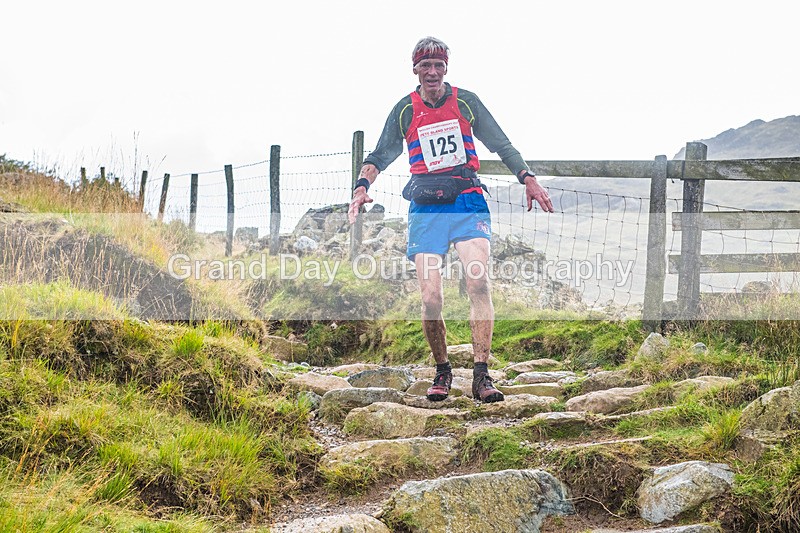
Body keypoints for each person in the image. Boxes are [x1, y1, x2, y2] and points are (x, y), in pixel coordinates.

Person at [348, 36, 554, 403]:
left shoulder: (466, 102)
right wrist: (362, 187)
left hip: (466, 201)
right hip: (426, 207)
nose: (432, 72)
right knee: (431, 299)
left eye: (438, 65)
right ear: (414, 69)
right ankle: (443, 371)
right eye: (425, 65)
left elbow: (502, 144)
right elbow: (380, 155)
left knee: (478, 282)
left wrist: (528, 178)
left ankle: (481, 375)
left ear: (446, 67)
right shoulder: (405, 111)